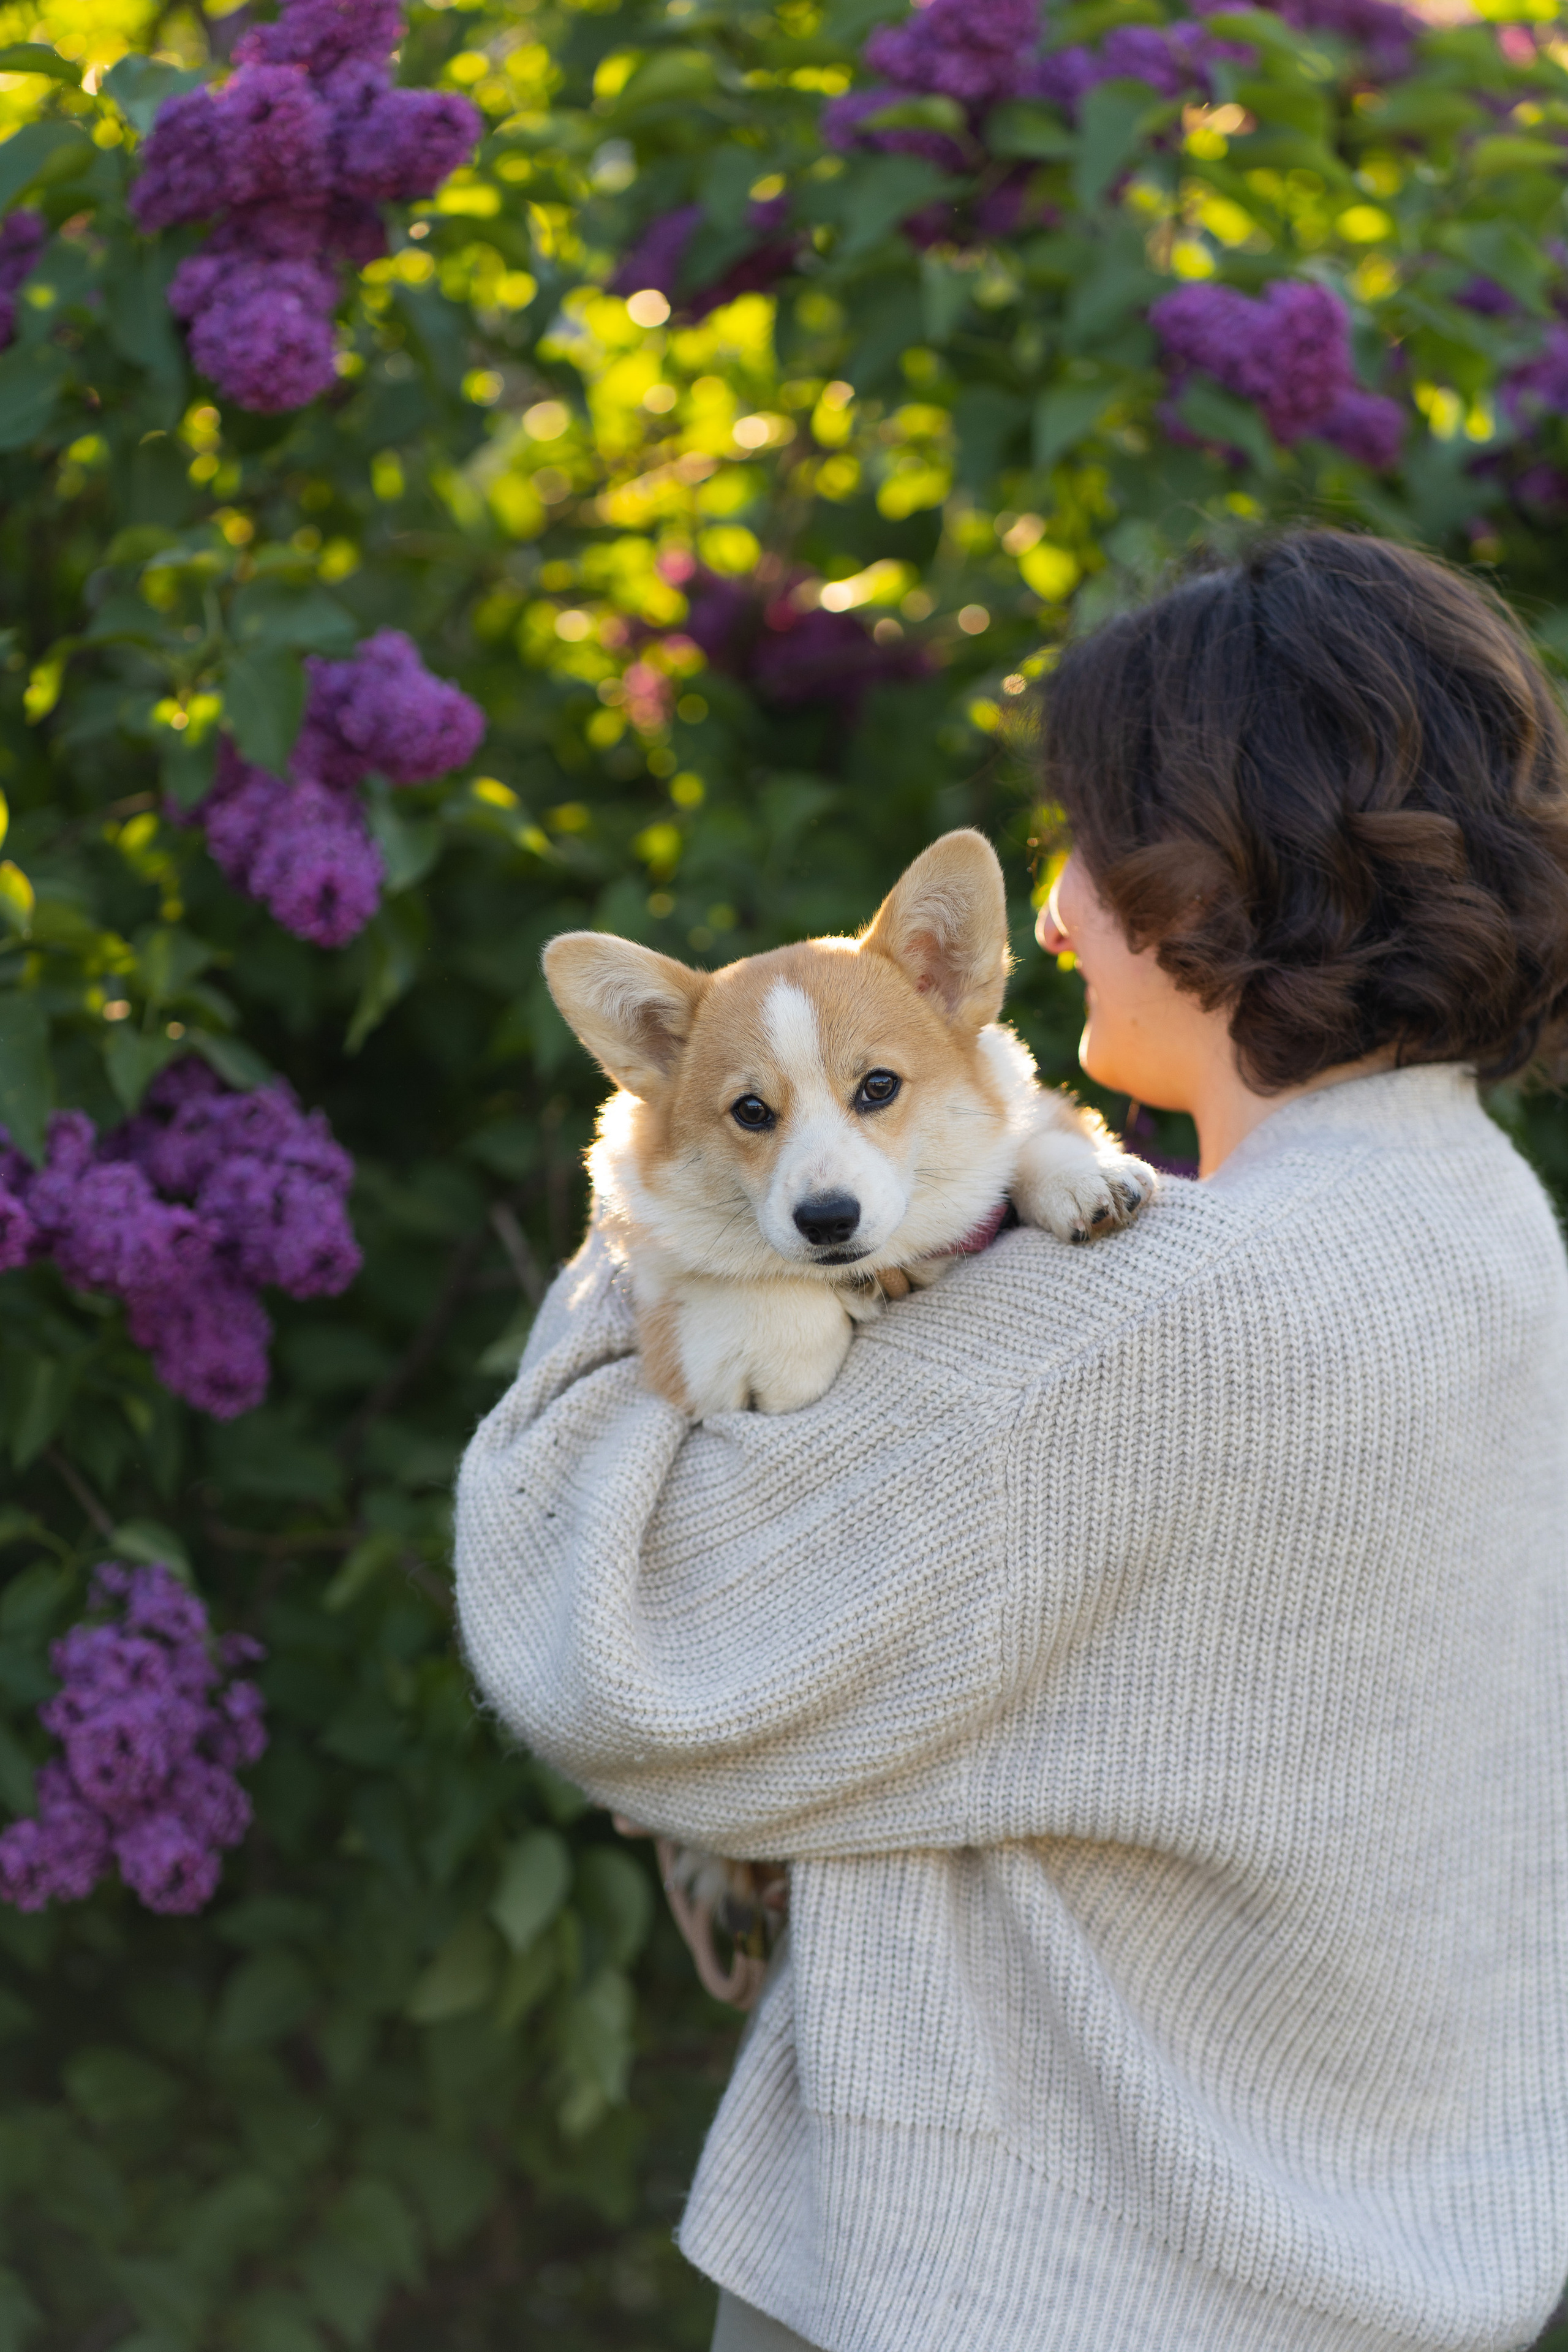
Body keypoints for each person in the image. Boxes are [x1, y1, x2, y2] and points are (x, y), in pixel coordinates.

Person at [454, 530, 1568, 2352]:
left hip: (1023, 2275)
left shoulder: (1129, 1333)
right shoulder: (1486, 1228)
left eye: (1087, 851)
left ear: (1215, 873)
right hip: (1379, 2263)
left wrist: (651, 1197)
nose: (1049, 919)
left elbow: (607, 1652)